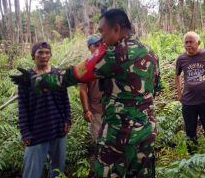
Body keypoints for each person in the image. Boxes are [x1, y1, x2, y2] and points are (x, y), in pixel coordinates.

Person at [11, 9, 161, 178]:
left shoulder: (114, 55)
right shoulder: (150, 52)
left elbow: (74, 75)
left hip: (120, 133)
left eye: (102, 31)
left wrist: (35, 81)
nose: (101, 38)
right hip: (148, 130)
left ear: (116, 29)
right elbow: (156, 87)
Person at [16, 41, 71, 178]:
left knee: (58, 170)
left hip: (58, 128)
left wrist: (67, 120)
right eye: (40, 52)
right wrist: (25, 132)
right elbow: (22, 106)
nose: (44, 55)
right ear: (33, 56)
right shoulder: (26, 78)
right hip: (37, 131)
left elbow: (65, 100)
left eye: (47, 52)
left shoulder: (57, 74)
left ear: (51, 55)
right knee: (32, 172)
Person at [175, 31, 205, 144]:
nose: (188, 45)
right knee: (190, 132)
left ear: (198, 42)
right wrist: (179, 93)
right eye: (186, 42)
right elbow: (176, 75)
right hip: (188, 102)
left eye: (191, 42)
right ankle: (193, 156)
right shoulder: (181, 59)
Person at [79, 35, 103, 142]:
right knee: (98, 141)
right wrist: (86, 110)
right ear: (89, 47)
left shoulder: (109, 62)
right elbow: (83, 89)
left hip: (112, 109)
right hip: (96, 110)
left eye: (101, 45)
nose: (99, 48)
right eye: (96, 46)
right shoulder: (85, 66)